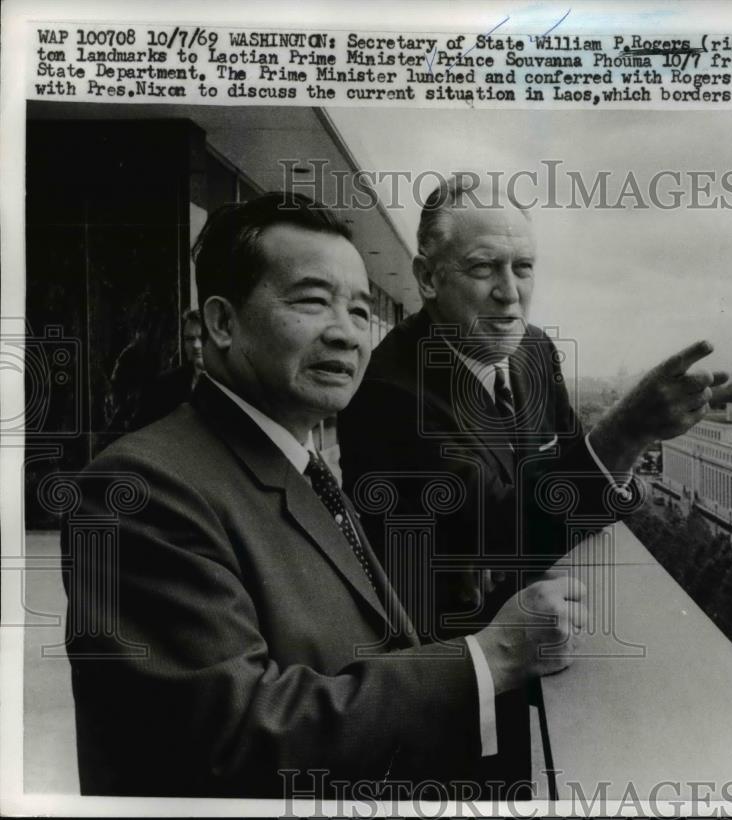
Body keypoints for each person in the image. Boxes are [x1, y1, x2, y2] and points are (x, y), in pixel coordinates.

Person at [60, 193, 588, 798]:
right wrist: (489, 659)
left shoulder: (299, 463)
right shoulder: (142, 489)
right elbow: (232, 740)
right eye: (312, 302)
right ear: (222, 323)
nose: (346, 333)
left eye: (361, 312)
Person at [337, 174, 726, 785]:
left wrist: (621, 452)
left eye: (524, 267)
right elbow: (495, 538)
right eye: (484, 267)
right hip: (454, 700)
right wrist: (625, 434)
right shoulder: (388, 395)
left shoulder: (534, 352)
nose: (509, 294)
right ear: (429, 277)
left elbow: (569, 464)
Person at [131, 307, 204, 427]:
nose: (196, 345)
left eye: (201, 338)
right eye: (189, 339)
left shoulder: (232, 384)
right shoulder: (164, 385)